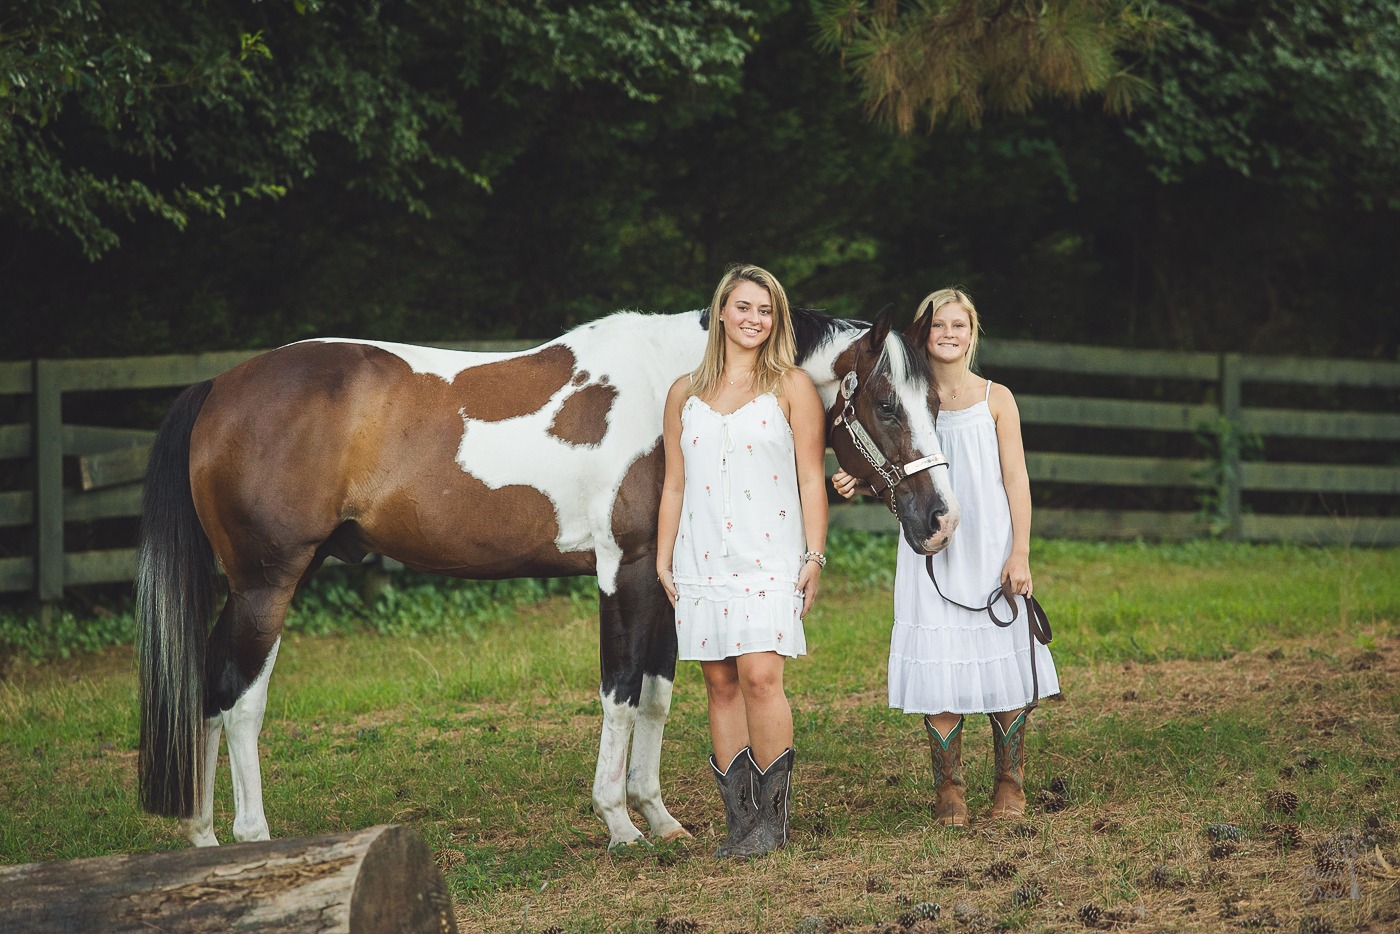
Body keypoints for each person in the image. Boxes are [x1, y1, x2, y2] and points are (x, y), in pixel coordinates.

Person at [833, 287, 1058, 827]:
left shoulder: (995, 398)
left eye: (960, 325)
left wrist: (1020, 551)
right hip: (931, 546)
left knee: (1001, 657)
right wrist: (859, 480)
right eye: (939, 326)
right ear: (922, 335)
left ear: (972, 333)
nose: (949, 334)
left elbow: (1015, 479)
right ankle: (949, 790)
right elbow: (898, 459)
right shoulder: (912, 394)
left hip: (989, 544)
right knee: (940, 663)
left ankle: (1010, 783)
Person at [657, 263, 829, 857]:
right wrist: (663, 557)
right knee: (720, 682)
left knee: (760, 676)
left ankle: (774, 822)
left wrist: (815, 553)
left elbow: (812, 476)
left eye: (766, 310)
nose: (754, 319)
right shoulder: (685, 393)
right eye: (744, 307)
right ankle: (742, 822)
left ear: (775, 320)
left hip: (769, 552)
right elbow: (675, 484)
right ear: (722, 312)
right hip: (701, 554)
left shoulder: (792, 387)